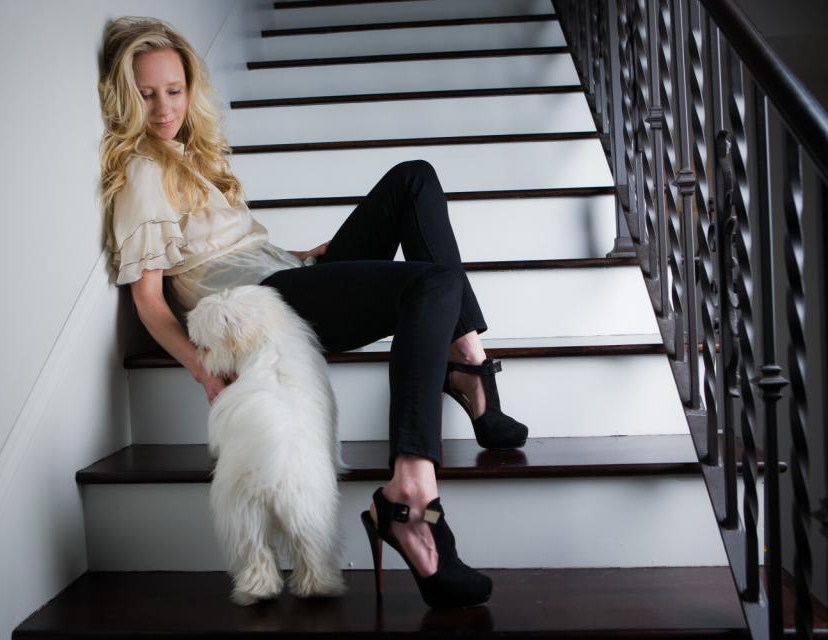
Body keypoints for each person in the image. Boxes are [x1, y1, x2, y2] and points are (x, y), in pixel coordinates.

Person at [98, 16, 528, 608]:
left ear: (190, 90)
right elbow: (148, 299)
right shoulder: (143, 172)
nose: (163, 107)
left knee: (413, 179)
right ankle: (411, 489)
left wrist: (305, 255)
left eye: (174, 91)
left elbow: (233, 245)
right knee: (432, 283)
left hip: (289, 274)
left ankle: (465, 361)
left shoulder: (191, 155)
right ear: (126, 97)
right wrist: (204, 370)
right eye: (146, 95)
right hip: (268, 306)